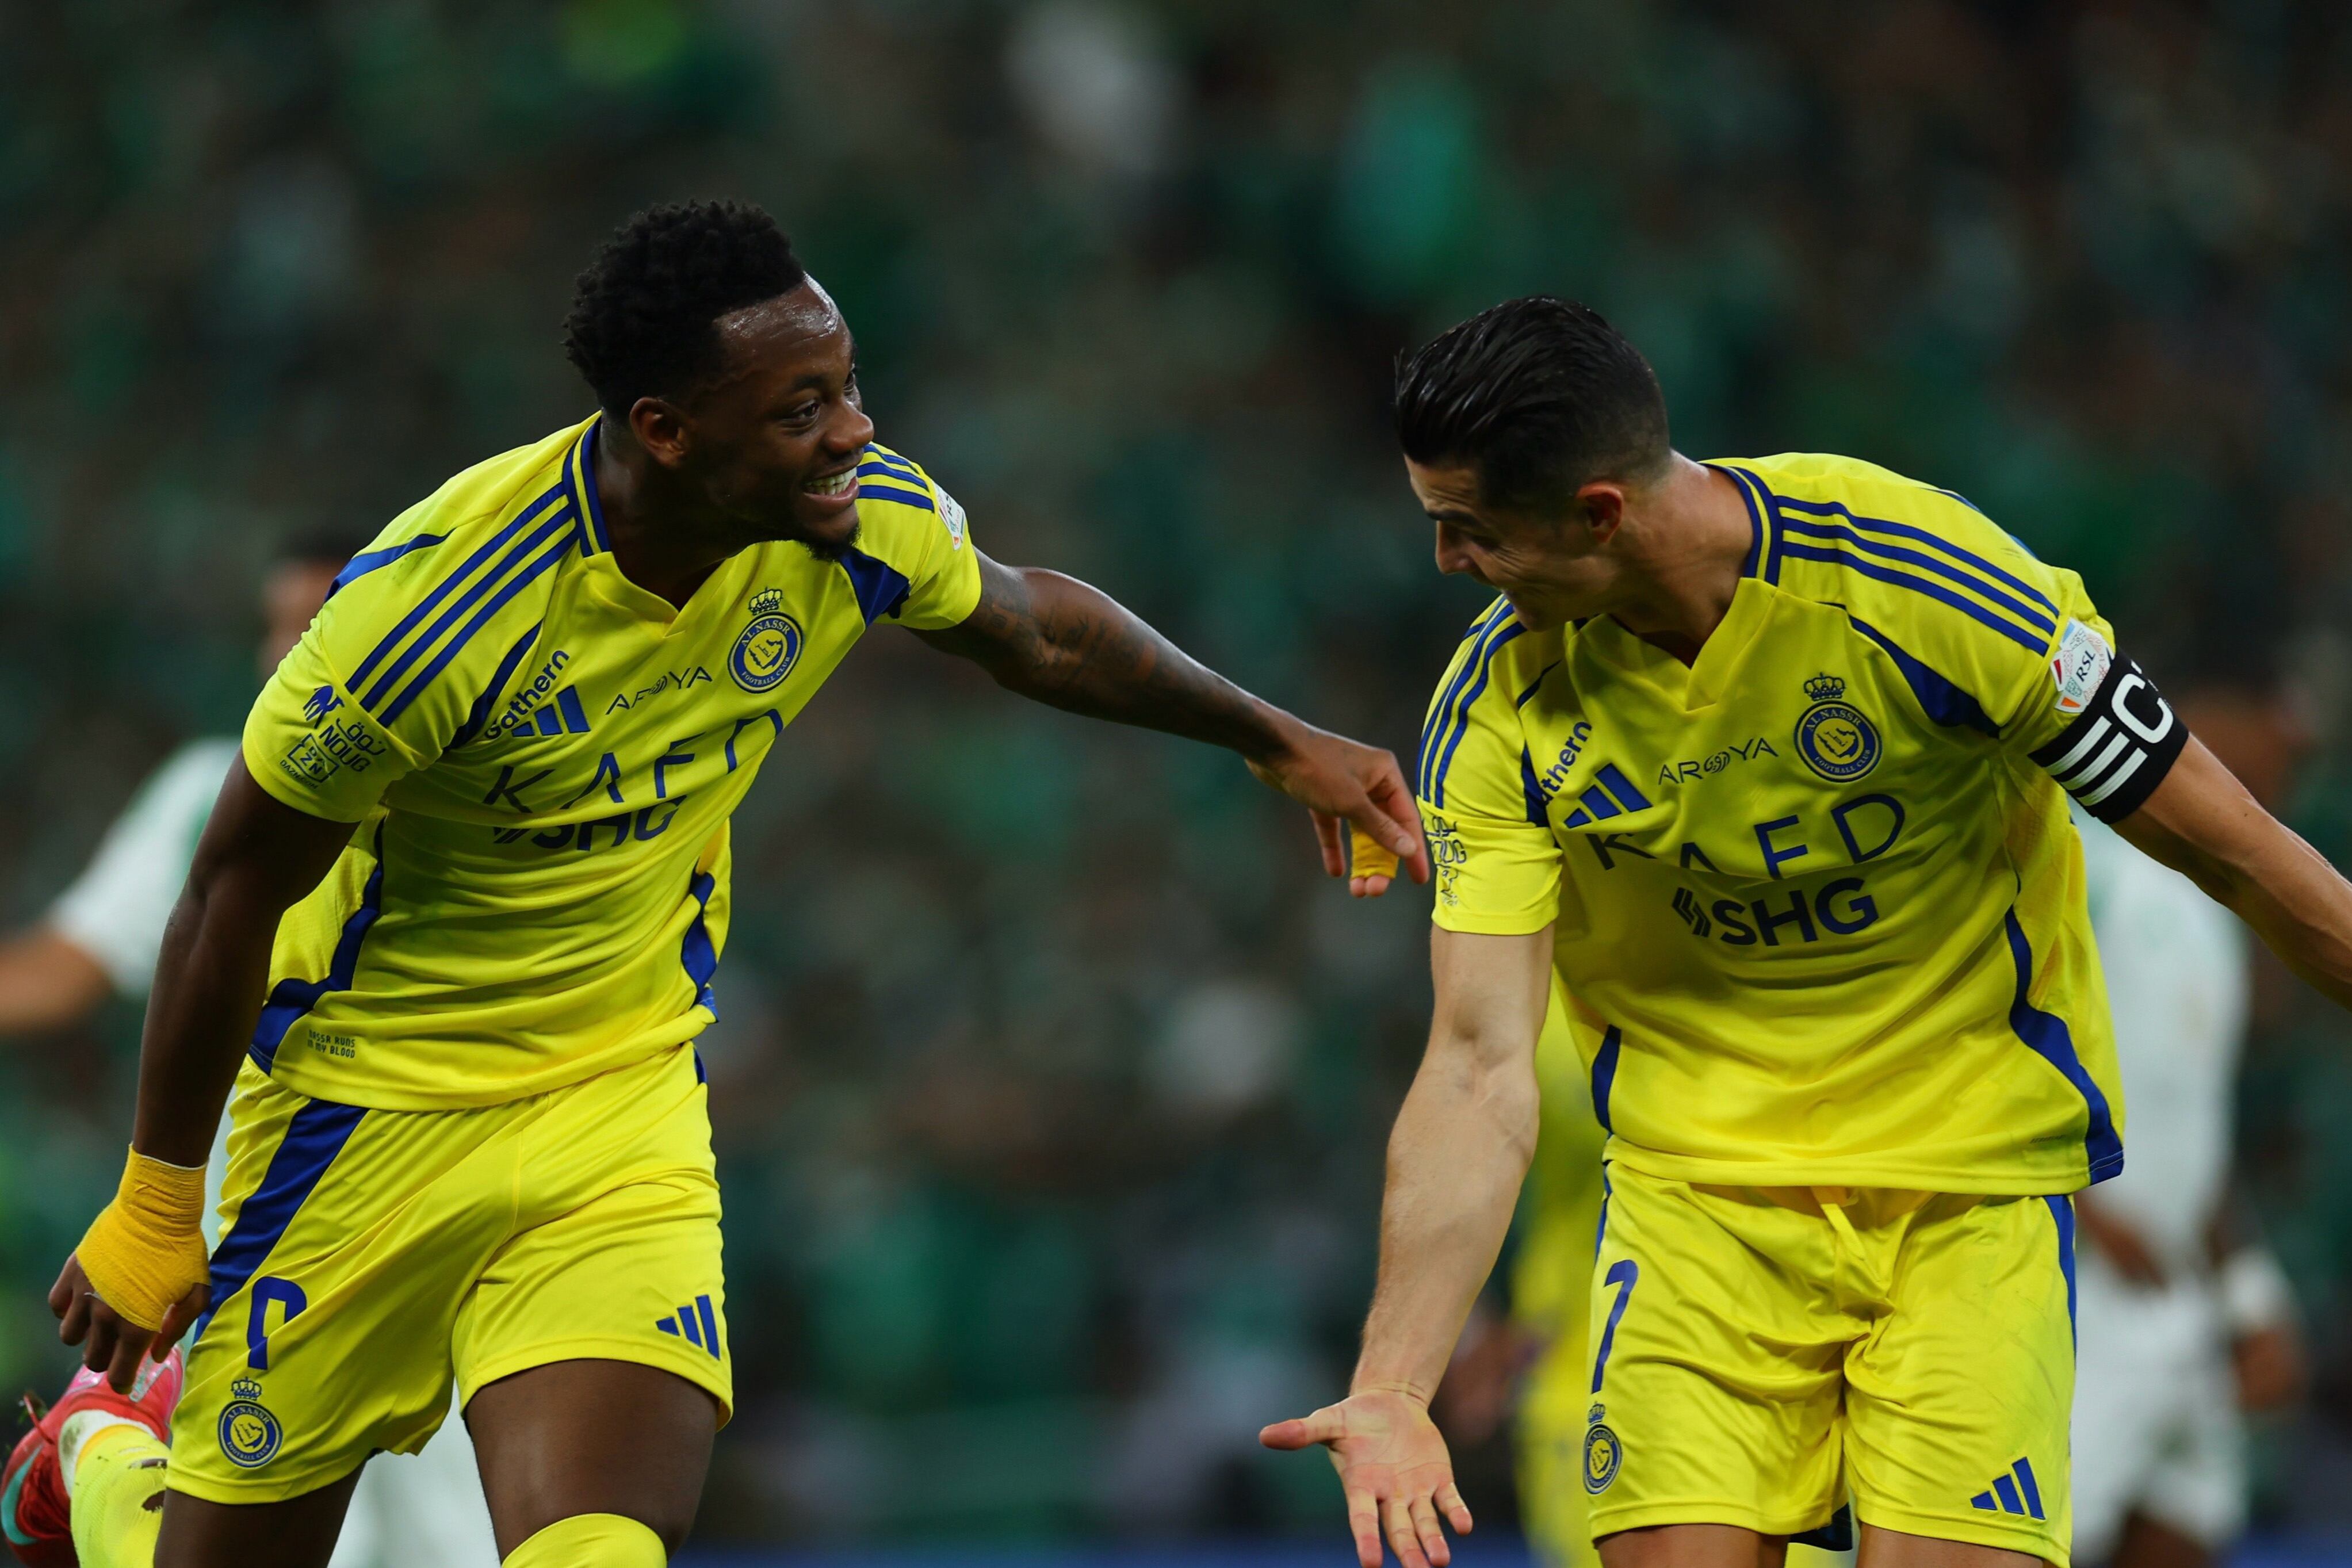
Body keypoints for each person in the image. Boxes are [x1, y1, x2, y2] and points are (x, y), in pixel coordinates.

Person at [3, 200, 1427, 1568]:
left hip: (613, 1105)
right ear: (666, 432)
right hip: (361, 1124)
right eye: (801, 408)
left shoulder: (852, 522)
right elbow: (230, 887)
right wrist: (154, 1200)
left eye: (847, 384)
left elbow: (1035, 627)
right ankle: (104, 1462)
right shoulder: (430, 612)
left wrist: (1275, 737)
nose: (854, 431)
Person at [1260, 296, 2352, 1568]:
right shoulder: (1496, 709)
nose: (1447, 564)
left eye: (1469, 530)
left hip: (1963, 1191)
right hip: (1695, 1213)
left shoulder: (1928, 587)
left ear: (1597, 513)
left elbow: (2234, 847)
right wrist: (1392, 1381)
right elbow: (1474, 1062)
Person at [0, 538, 501, 1568]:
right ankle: (101, 1449)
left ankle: (96, 1448)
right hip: (270, 1245)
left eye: (308, 623)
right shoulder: (217, 787)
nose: (283, 654)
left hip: (460, 1234)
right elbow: (63, 973)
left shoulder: (498, 781)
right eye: (271, 627)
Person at [2068, 665, 2310, 1568]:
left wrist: (2247, 1296)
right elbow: (1990, 1039)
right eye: (2276, 736)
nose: (2289, 768)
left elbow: (2189, 1133)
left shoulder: (2212, 913)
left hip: (2173, 1297)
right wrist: (2081, 1208)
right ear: (2197, 714)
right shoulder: (2085, 864)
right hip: (2075, 1283)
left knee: (2183, 1536)